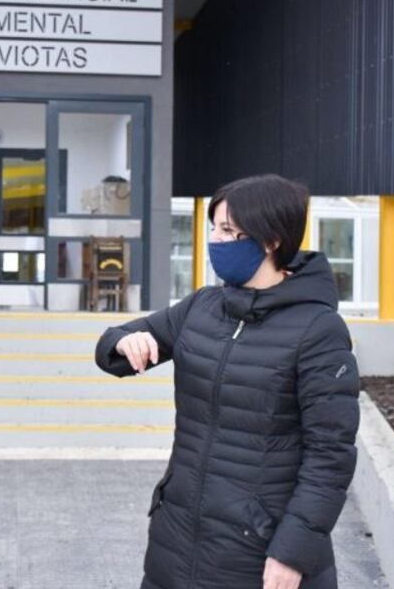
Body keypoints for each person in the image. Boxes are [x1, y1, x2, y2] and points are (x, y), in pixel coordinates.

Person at [96, 174, 360, 589]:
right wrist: (125, 340)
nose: (215, 241)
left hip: (258, 551)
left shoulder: (319, 330)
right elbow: (114, 350)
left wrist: (292, 552)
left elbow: (331, 455)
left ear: (271, 240)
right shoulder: (203, 306)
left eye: (228, 231)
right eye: (214, 228)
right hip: (177, 539)